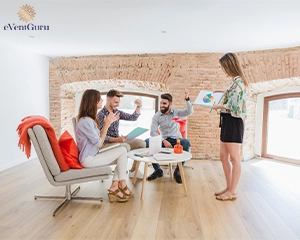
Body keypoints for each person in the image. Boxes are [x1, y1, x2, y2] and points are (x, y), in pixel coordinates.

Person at [75, 89, 134, 203]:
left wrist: (108, 123)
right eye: (100, 99)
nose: (102, 100)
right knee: (122, 151)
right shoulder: (86, 121)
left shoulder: (89, 119)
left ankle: (115, 186)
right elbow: (99, 143)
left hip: (94, 154)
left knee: (122, 151)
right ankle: (122, 183)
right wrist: (106, 125)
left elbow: (97, 139)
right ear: (94, 101)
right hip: (89, 159)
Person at [212, 52, 248, 201]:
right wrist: (222, 93)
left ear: (230, 66)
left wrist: (219, 105)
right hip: (227, 121)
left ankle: (232, 191)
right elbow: (232, 99)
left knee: (234, 158)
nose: (223, 70)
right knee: (223, 156)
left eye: (223, 67)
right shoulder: (234, 82)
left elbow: (236, 108)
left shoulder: (239, 83)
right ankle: (228, 187)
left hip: (234, 121)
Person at [146, 90, 194, 184]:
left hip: (176, 139)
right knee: (148, 142)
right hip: (163, 140)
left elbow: (189, 111)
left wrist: (187, 99)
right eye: (161, 103)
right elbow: (152, 132)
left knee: (186, 143)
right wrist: (163, 140)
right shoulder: (157, 115)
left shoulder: (176, 112)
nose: (162, 105)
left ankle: (178, 170)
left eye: (164, 103)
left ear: (170, 104)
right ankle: (158, 170)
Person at [97, 89, 146, 179]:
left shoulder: (117, 112)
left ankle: (133, 171)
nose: (118, 104)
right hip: (108, 143)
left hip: (118, 140)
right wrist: (118, 139)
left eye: (119, 102)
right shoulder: (101, 114)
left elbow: (133, 118)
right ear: (108, 100)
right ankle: (119, 175)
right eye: (116, 102)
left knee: (141, 144)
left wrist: (139, 106)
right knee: (125, 146)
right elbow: (101, 136)